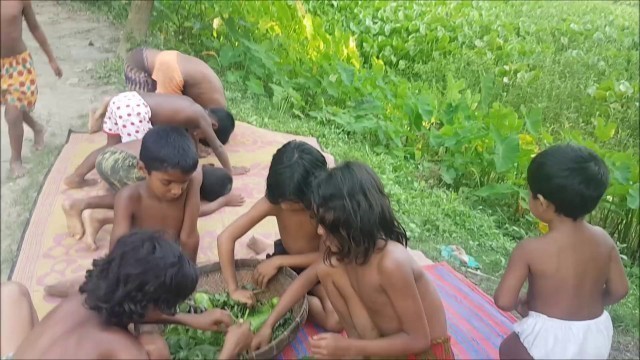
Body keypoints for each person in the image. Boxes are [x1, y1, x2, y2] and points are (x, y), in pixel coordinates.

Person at [250, 161, 453, 359]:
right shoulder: (347, 251)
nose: (320, 231)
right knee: (326, 268)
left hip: (422, 353)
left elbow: (418, 340)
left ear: (354, 223)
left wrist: (349, 347)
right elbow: (304, 281)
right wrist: (268, 325)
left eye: (328, 225)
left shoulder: (392, 263)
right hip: (382, 341)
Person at [0, 230, 254, 360]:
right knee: (155, 348)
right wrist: (229, 352)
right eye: (170, 306)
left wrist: (187, 319)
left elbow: (136, 307)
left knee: (12, 292)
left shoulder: (82, 297)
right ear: (151, 304)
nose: (172, 311)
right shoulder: (126, 351)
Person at [494, 144, 629, 359]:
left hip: (547, 340)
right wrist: (582, 312)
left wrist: (522, 302)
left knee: (508, 349)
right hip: (594, 337)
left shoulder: (530, 249)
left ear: (541, 202)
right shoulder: (604, 239)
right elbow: (620, 289)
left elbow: (504, 301)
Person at [217, 140, 342, 332]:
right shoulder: (275, 202)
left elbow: (327, 258)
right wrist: (233, 288)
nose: (284, 205)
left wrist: (279, 261)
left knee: (334, 320)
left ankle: (272, 259)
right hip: (287, 260)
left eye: (292, 202)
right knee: (254, 291)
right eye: (281, 199)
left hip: (318, 266)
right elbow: (226, 237)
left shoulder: (326, 208)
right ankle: (268, 250)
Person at [62, 137, 245, 249]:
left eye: (184, 184)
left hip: (108, 155)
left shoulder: (187, 168)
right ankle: (84, 206)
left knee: (148, 199)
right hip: (117, 161)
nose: (177, 191)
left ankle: (99, 216)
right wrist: (223, 201)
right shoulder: (178, 170)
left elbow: (189, 234)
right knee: (145, 199)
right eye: (169, 183)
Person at [64, 91, 248, 189]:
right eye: (204, 136)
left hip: (123, 99)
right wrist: (229, 170)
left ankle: (76, 176)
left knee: (111, 146)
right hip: (136, 110)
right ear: (213, 125)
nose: (202, 138)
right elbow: (217, 146)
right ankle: (120, 193)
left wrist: (196, 159)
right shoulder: (200, 116)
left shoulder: (190, 107)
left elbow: (191, 140)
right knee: (140, 157)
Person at [1, 0, 62, 178]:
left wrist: (51, 59)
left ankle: (16, 160)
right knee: (14, 108)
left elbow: (35, 28)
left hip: (17, 65)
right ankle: (37, 128)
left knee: (12, 114)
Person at [124, 48, 226, 109]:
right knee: (145, 112)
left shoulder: (215, 105)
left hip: (163, 63)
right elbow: (165, 111)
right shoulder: (171, 72)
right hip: (139, 66)